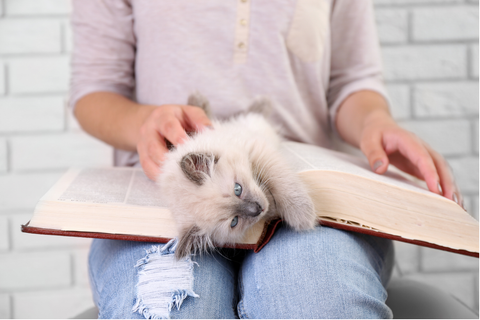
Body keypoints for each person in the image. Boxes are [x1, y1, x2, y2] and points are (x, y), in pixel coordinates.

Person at [70, 1, 463, 318]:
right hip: (159, 203)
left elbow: (351, 81)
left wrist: (375, 122)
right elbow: (94, 90)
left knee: (317, 304)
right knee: (174, 307)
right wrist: (144, 122)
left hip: (304, 180)